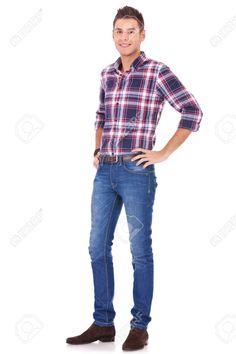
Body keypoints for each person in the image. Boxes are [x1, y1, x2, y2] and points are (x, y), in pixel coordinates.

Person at [66, 5, 203, 351]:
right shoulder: (107, 74)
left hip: (136, 171)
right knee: (97, 248)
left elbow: (192, 110)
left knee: (140, 250)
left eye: (130, 31)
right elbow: (100, 116)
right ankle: (103, 323)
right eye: (118, 31)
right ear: (112, 35)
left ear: (143, 34)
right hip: (105, 171)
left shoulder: (157, 71)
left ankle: (139, 327)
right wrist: (97, 151)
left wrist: (163, 152)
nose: (123, 37)